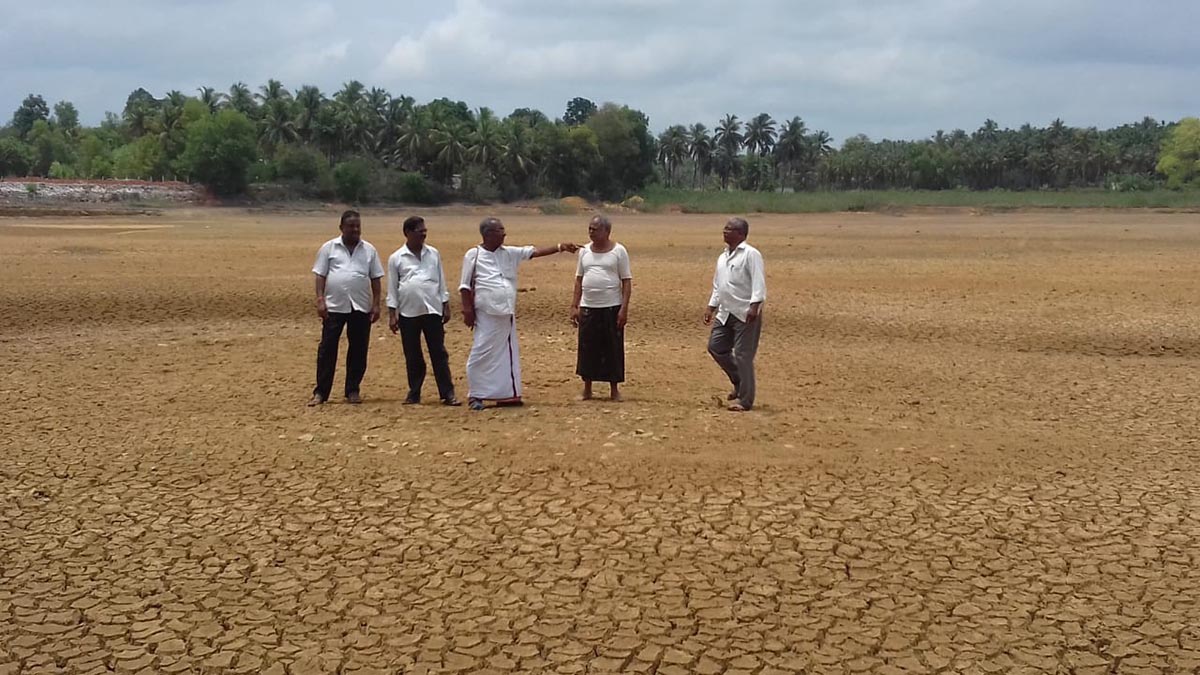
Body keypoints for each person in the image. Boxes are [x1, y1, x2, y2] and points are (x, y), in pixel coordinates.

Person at [459, 217, 578, 411]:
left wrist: (560, 247)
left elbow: (534, 252)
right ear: (488, 234)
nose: (504, 234)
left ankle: (506, 395)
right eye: (500, 230)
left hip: (506, 313)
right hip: (486, 313)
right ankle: (476, 394)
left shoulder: (509, 253)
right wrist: (467, 310)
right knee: (481, 352)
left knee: (506, 355)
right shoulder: (474, 255)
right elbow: (465, 286)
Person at [308, 210, 384, 406]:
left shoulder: (369, 250)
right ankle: (321, 392)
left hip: (360, 306)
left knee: (358, 349)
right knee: (327, 349)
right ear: (341, 227)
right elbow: (320, 275)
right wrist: (320, 300)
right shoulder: (329, 248)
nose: (355, 229)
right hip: (334, 306)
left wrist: (376, 304)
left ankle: (352, 390)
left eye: (358, 226)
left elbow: (376, 278)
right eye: (351, 226)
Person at [386, 216, 460, 406]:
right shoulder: (396, 258)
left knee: (439, 353)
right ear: (408, 233)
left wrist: (445, 304)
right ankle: (414, 393)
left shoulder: (433, 253)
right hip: (408, 312)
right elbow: (392, 288)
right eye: (420, 231)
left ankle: (447, 393)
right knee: (412, 355)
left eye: (425, 230)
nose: (424, 234)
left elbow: (441, 280)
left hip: (432, 309)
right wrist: (392, 314)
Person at [703, 217, 766, 412]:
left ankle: (745, 400)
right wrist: (711, 306)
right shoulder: (722, 257)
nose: (725, 231)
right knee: (716, 347)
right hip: (725, 311)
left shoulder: (751, 254)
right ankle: (739, 381)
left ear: (740, 234)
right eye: (725, 228)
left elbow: (758, 282)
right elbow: (718, 284)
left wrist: (755, 306)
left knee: (742, 355)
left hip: (745, 312)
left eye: (729, 229)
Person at [570, 215, 632, 402]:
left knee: (612, 348)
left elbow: (626, 282)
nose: (591, 232)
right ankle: (587, 389)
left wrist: (624, 309)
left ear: (607, 231)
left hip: (611, 306)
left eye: (595, 229)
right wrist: (574, 305)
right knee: (587, 349)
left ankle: (614, 390)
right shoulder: (584, 251)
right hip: (588, 306)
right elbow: (579, 280)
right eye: (589, 228)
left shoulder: (619, 251)